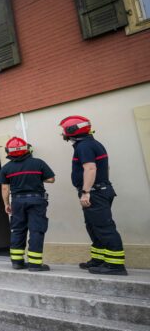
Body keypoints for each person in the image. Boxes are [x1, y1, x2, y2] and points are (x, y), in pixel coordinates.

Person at [59, 115, 127, 276]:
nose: (63, 134)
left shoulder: (84, 146)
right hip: (99, 190)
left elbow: (90, 169)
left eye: (64, 130)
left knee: (104, 227)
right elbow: (106, 167)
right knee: (93, 226)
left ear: (72, 131)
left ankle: (115, 265)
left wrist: (86, 192)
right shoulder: (91, 144)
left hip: (94, 193)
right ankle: (99, 259)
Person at [0, 137, 55, 271]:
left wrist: (6, 204)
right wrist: (36, 177)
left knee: (17, 230)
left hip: (17, 202)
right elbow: (51, 179)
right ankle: (35, 264)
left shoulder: (6, 168)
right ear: (26, 149)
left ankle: (17, 262)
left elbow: (5, 188)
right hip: (37, 200)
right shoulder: (38, 163)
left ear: (8, 151)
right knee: (36, 230)